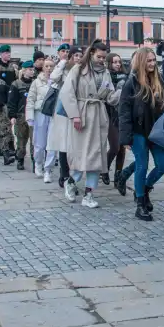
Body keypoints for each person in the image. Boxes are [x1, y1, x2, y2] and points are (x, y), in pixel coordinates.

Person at [60, 40, 119, 207]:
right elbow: (67, 93)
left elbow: (110, 96)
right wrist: (75, 115)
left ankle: (88, 195)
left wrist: (122, 93)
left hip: (99, 116)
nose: (102, 59)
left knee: (97, 157)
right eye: (99, 56)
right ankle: (71, 182)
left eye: (104, 57)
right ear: (91, 53)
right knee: (82, 155)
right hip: (83, 114)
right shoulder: (78, 69)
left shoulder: (106, 73)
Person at [119, 47, 164, 220]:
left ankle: (146, 189)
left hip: (158, 131)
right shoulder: (132, 83)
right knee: (142, 165)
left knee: (163, 165)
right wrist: (125, 137)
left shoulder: (159, 79)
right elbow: (124, 111)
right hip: (138, 131)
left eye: (153, 60)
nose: (152, 63)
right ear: (141, 62)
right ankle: (140, 203)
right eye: (148, 60)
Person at [48, 45, 83, 189]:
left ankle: (73, 173)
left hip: (78, 110)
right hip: (63, 111)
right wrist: (61, 63)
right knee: (64, 144)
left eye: (81, 56)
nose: (78, 59)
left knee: (75, 144)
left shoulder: (84, 71)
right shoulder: (65, 69)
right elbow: (53, 78)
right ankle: (64, 173)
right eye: (76, 56)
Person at [26, 57, 56, 182]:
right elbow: (31, 99)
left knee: (52, 144)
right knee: (39, 144)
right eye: (47, 66)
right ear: (43, 68)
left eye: (51, 66)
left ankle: (48, 169)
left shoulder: (57, 82)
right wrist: (30, 116)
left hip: (54, 115)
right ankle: (38, 164)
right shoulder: (37, 82)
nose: (49, 69)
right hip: (40, 113)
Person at [106, 53, 129, 193]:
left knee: (122, 148)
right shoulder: (106, 77)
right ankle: (105, 168)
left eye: (119, 62)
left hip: (123, 116)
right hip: (109, 116)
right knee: (115, 146)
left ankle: (118, 176)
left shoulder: (126, 78)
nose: (118, 64)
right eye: (115, 62)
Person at [9, 61, 35, 170]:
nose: (32, 71)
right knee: (21, 139)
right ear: (24, 70)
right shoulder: (16, 84)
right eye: (30, 69)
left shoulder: (36, 83)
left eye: (33, 69)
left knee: (34, 140)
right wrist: (12, 116)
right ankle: (20, 159)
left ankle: (35, 161)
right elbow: (12, 101)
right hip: (21, 115)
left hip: (33, 115)